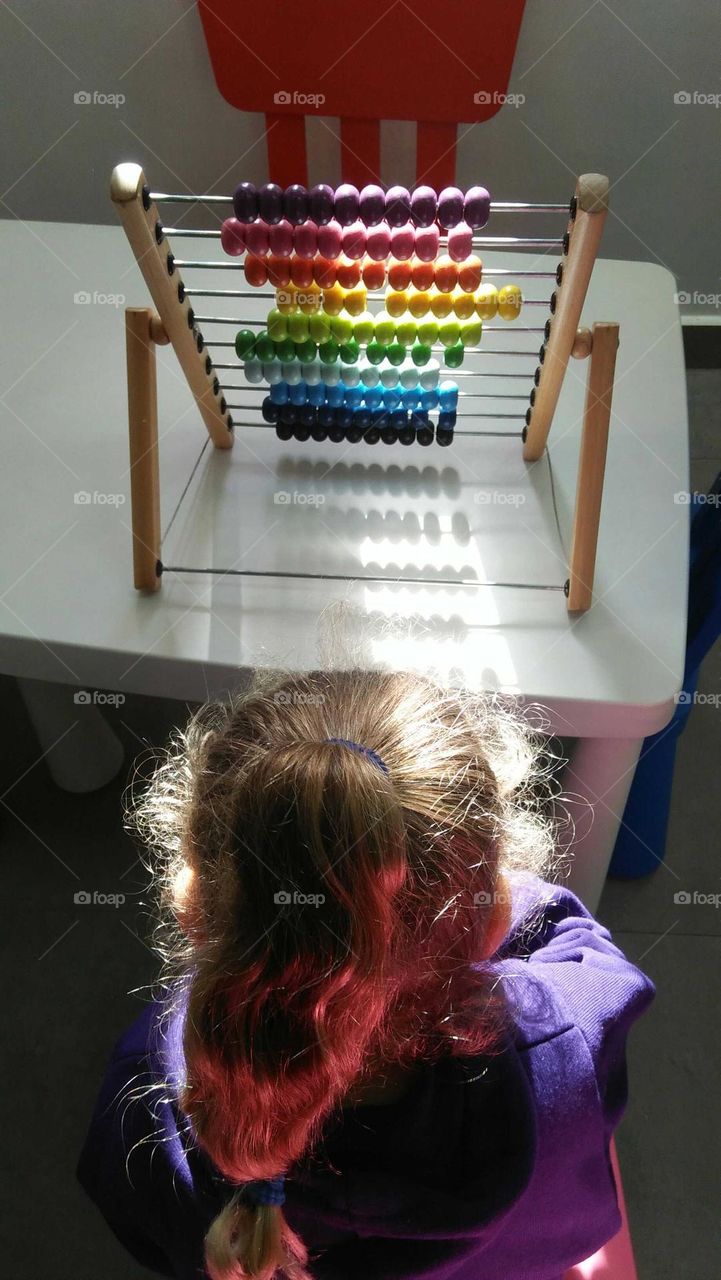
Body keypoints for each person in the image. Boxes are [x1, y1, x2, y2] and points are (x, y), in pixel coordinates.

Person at [78, 670, 654, 1280]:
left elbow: (139, 1225)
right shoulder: (567, 1040)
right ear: (491, 921)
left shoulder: (144, 1096)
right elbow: (578, 941)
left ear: (190, 902)